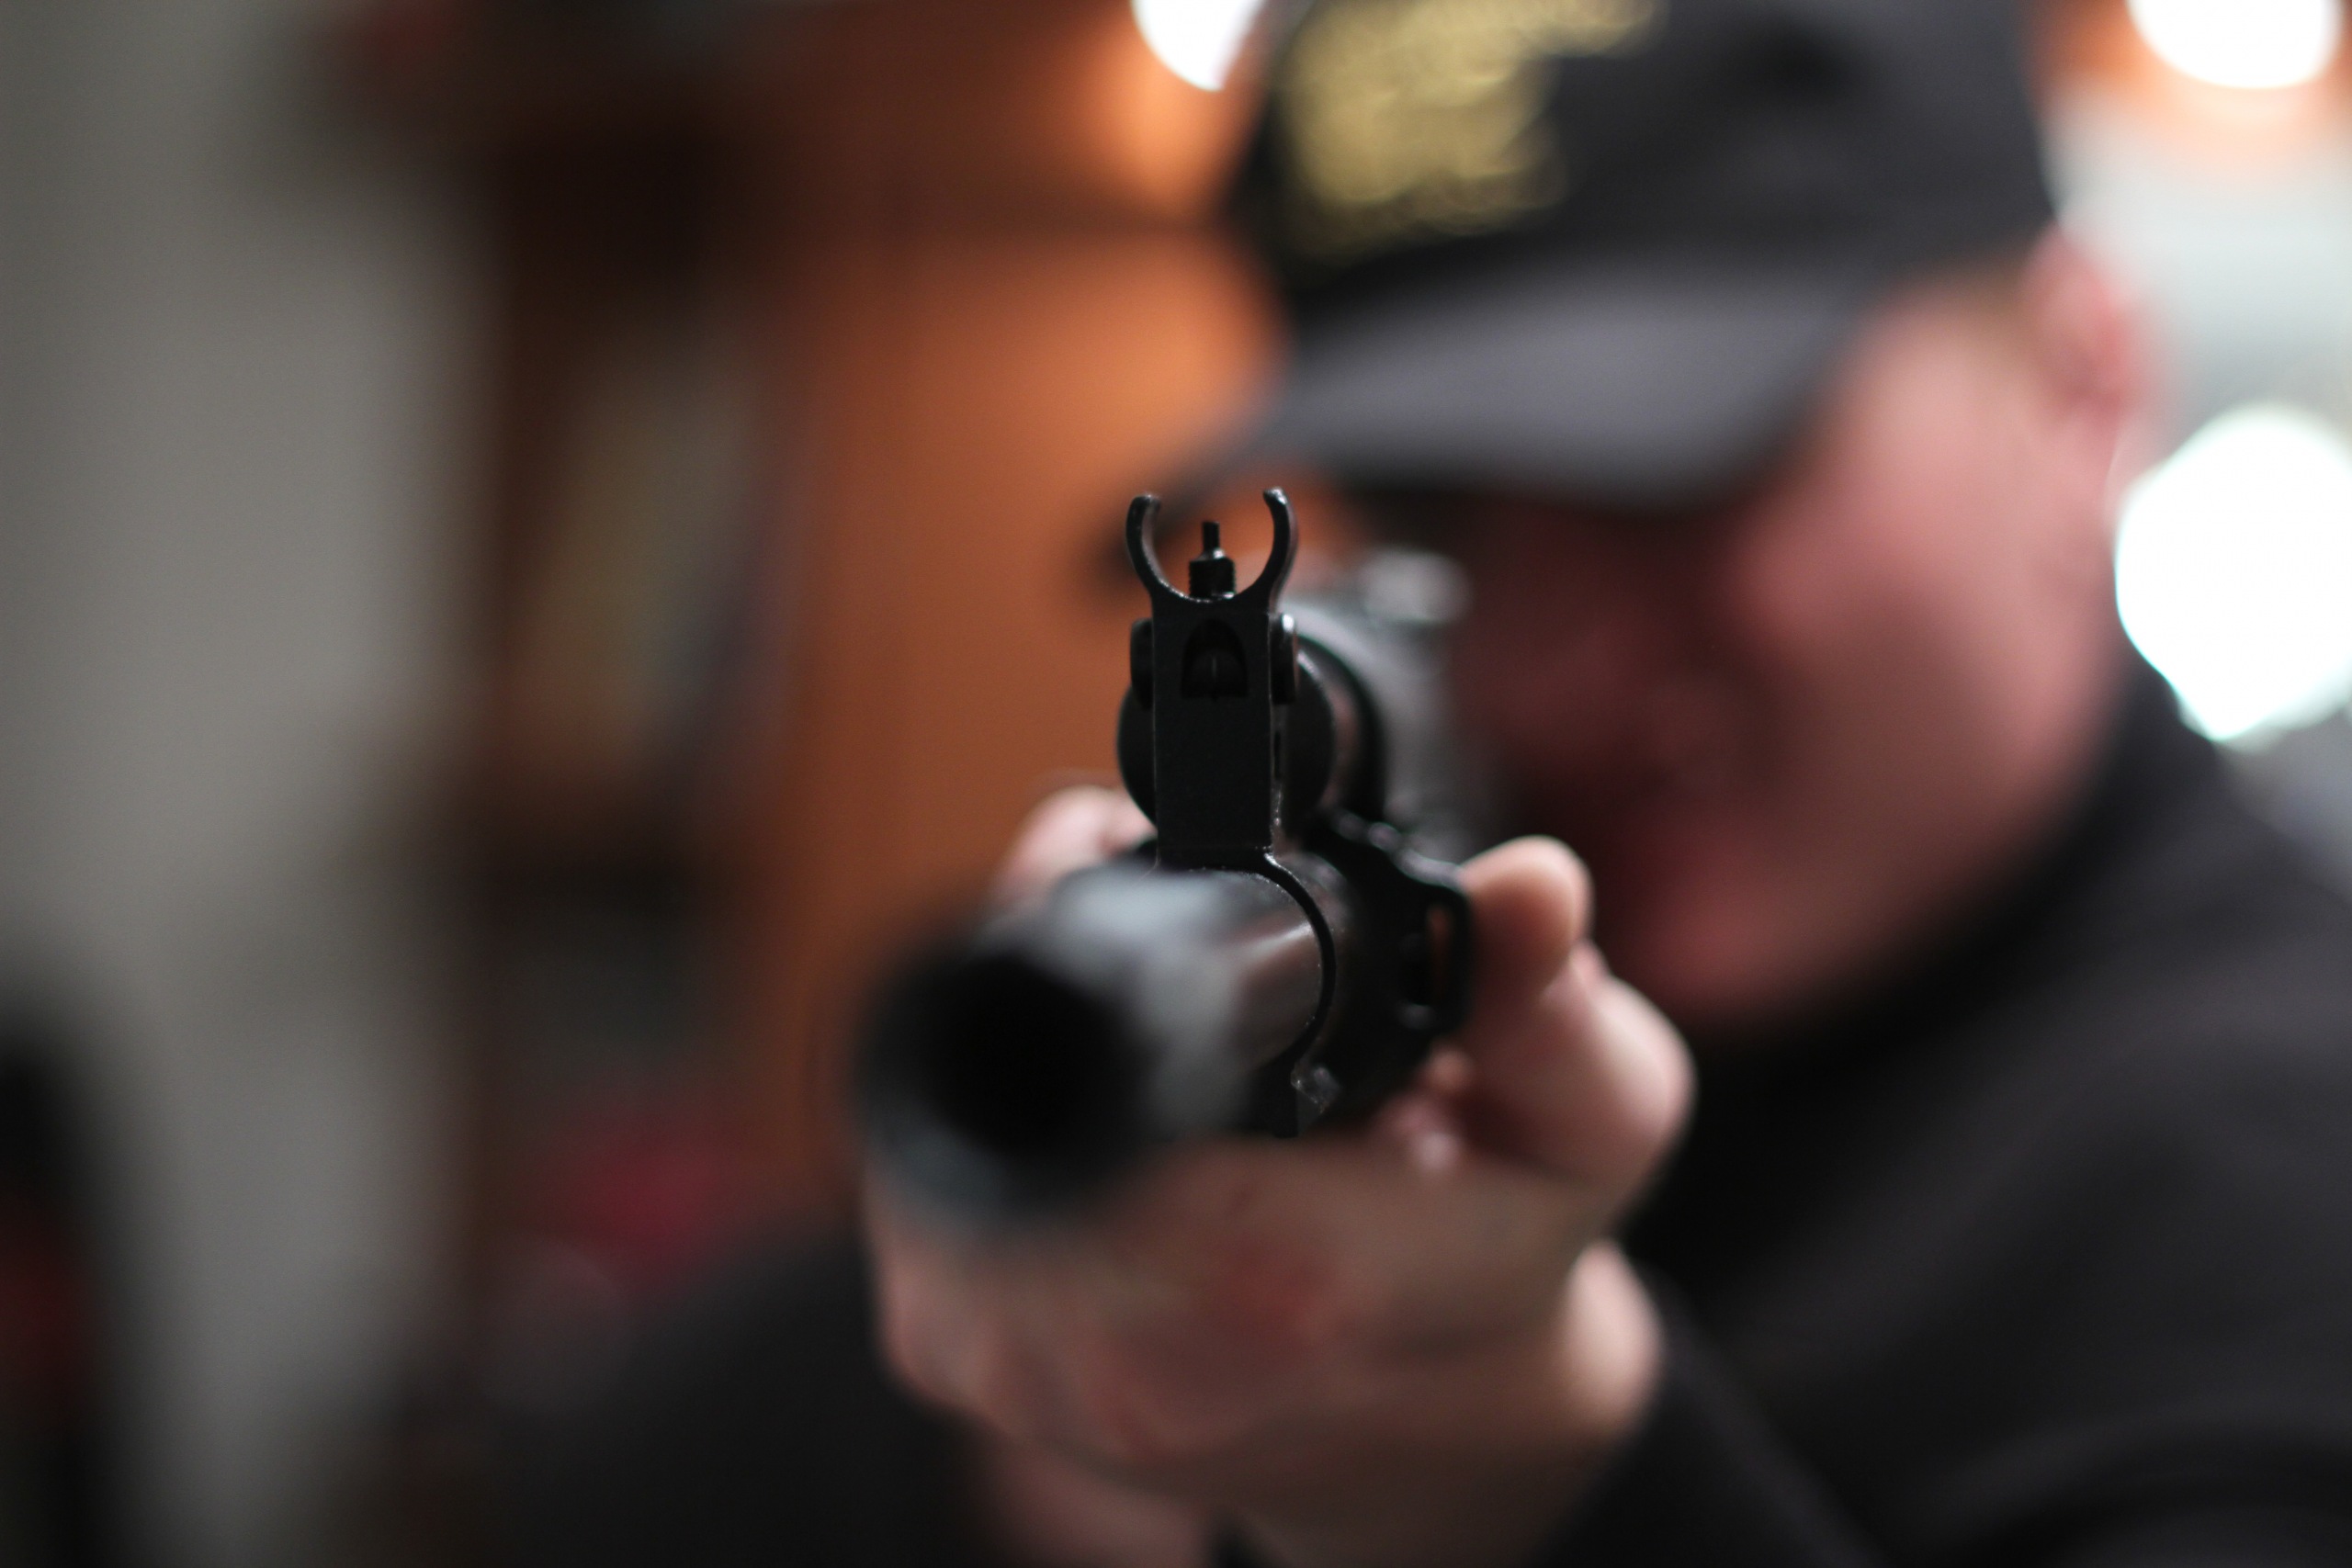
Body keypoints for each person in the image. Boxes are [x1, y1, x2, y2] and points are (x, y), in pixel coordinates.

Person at [512, 0, 2352, 1564]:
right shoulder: (1464, 960)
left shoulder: (2277, 1170)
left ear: (2079, 385)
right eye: (1433, 514)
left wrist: (1515, 1493)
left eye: (1683, 477)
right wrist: (1054, 1436)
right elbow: (661, 1447)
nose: (1552, 662)